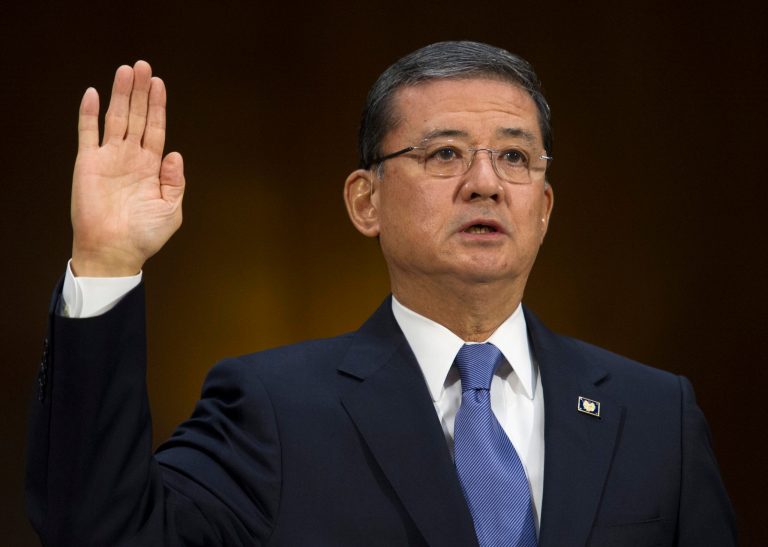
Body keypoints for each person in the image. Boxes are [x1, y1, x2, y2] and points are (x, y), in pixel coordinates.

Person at [27, 41, 736, 546]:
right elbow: (101, 530)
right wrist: (106, 261)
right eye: (445, 153)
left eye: (515, 156)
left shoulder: (656, 415)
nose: (485, 183)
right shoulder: (273, 411)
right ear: (365, 201)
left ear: (543, 207)